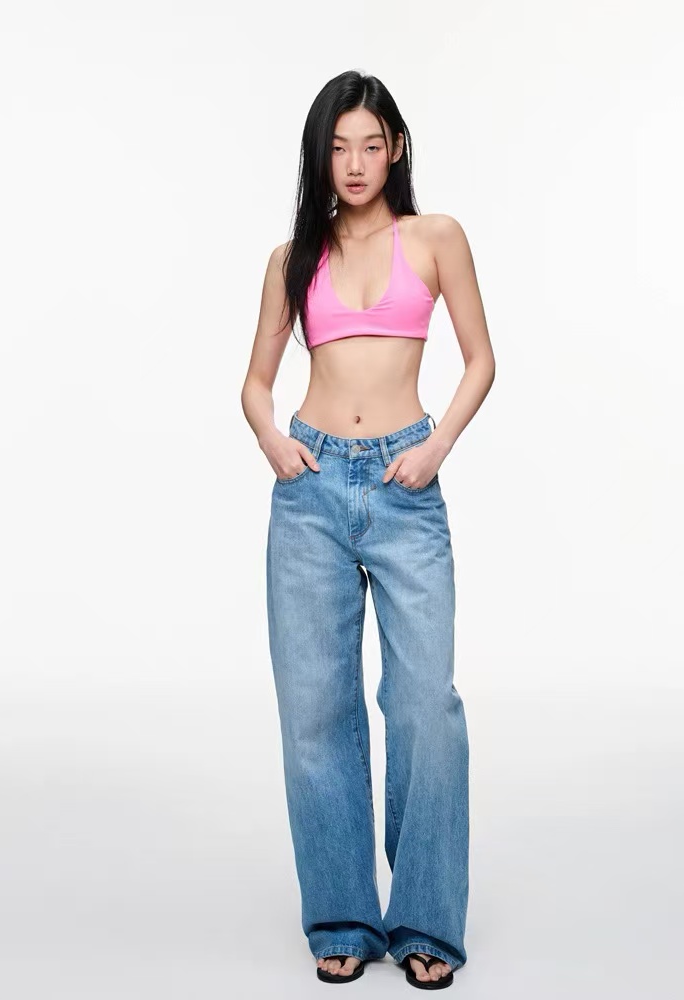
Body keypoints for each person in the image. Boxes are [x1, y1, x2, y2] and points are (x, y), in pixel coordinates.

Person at [241, 70, 495, 989]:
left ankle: (425, 921)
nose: (354, 163)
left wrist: (437, 446)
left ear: (396, 150)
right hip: (310, 491)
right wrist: (274, 442)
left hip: (402, 483)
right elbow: (255, 381)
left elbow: (481, 359)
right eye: (339, 147)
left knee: (426, 706)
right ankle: (343, 916)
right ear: (321, 155)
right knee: (316, 713)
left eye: (371, 145)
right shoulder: (292, 258)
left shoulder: (434, 238)